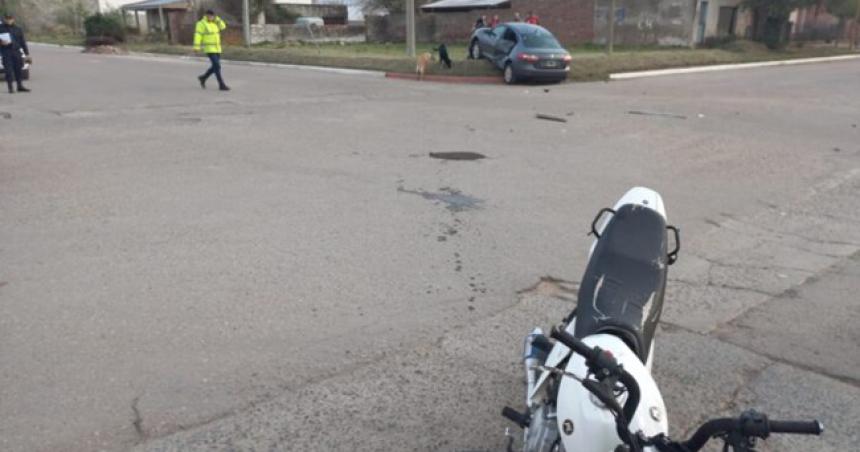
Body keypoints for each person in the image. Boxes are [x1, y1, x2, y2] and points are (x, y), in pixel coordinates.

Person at [194, 10, 229, 91]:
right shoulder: (201, 24)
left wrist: (217, 19)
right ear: (206, 15)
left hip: (217, 48)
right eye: (209, 16)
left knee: (216, 66)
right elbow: (198, 35)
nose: (210, 17)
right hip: (209, 49)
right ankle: (221, 84)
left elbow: (223, 26)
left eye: (212, 16)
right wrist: (196, 47)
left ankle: (203, 77)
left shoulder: (215, 23)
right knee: (217, 65)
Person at [0, 13, 30, 94]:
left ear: (13, 19)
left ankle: (20, 86)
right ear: (4, 19)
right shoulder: (1, 28)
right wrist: (1, 42)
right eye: (7, 18)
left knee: (18, 70)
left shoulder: (18, 29)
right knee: (8, 71)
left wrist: (27, 54)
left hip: (16, 52)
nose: (9, 20)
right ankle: (10, 88)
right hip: (6, 52)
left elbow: (23, 42)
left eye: (10, 18)